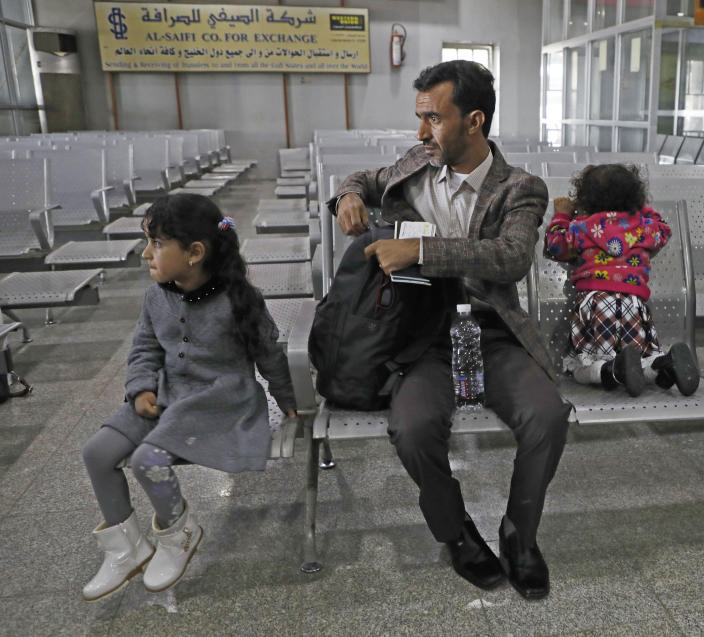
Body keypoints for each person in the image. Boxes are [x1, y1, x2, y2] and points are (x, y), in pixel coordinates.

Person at [331, 60, 569, 600]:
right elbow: (363, 181)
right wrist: (347, 195)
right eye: (419, 119)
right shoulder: (418, 161)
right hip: (424, 336)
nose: (420, 133)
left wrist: (420, 250)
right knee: (412, 429)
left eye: (433, 119)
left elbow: (510, 259)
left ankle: (519, 534)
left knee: (547, 416)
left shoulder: (520, 188)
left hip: (492, 332)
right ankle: (457, 532)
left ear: (474, 120)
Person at [80, 194, 297, 600]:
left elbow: (269, 353)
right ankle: (126, 549)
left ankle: (179, 532)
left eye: (157, 244)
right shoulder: (155, 296)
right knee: (97, 453)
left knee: (148, 460)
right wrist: (140, 388)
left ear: (195, 253)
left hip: (220, 400)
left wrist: (289, 400)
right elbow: (144, 348)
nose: (146, 254)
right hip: (165, 393)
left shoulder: (238, 300)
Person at [542, 163, 699, 396]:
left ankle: (613, 371)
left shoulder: (581, 227)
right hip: (634, 304)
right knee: (641, 357)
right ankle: (663, 365)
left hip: (595, 303)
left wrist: (563, 215)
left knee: (580, 367)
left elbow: (555, 245)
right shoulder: (644, 227)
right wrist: (641, 209)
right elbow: (663, 229)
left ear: (584, 197)